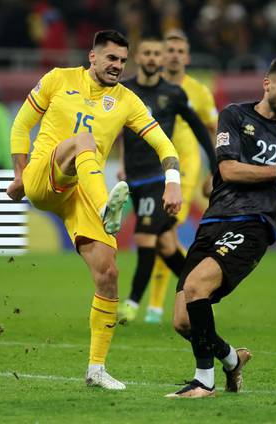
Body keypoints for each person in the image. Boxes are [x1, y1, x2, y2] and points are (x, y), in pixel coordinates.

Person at [5, 30, 182, 391]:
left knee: (108, 274)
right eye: (112, 59)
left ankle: (96, 369)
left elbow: (162, 141)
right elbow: (22, 124)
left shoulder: (127, 101)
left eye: (122, 60)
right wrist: (20, 177)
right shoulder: (57, 79)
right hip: (46, 176)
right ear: (93, 57)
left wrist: (174, 180)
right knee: (84, 142)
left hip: (80, 193)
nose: (118, 66)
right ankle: (107, 207)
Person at [166, 57, 276, 398]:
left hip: (255, 224)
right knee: (182, 321)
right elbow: (231, 170)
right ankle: (233, 359)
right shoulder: (234, 116)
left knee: (195, 286)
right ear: (267, 83)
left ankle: (203, 381)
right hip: (214, 220)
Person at [117, 35, 217, 323]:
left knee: (145, 237)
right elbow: (121, 133)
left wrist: (214, 167)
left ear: (161, 60)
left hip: (159, 177)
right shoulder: (125, 91)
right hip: (134, 177)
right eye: (146, 52)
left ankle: (133, 303)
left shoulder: (173, 93)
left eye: (155, 54)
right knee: (166, 246)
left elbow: (200, 129)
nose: (151, 58)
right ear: (137, 56)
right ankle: (201, 291)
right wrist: (121, 165)